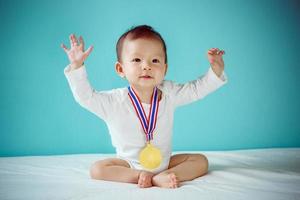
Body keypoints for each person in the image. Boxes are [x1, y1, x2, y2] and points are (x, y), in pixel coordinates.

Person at [61, 25, 227, 189]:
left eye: (155, 60)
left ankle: (164, 176)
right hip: (128, 166)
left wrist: (216, 70)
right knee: (97, 169)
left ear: (165, 69)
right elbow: (86, 97)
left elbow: (195, 90)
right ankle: (141, 176)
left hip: (165, 163)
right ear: (121, 69)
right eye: (136, 60)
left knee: (201, 161)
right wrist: (77, 66)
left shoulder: (169, 93)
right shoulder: (114, 102)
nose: (146, 66)